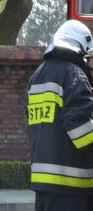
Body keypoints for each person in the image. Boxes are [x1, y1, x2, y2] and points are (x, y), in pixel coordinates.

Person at [28, 19, 93, 211]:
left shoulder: (36, 77)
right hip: (72, 186)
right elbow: (78, 124)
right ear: (80, 50)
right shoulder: (74, 75)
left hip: (43, 183)